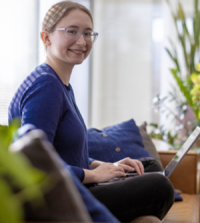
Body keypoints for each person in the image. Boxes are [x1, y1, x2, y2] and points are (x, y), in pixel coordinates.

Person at [8, 1, 174, 222]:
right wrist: (94, 174)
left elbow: (62, 152)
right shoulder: (46, 86)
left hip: (76, 184)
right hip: (63, 198)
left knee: (149, 166)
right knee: (158, 185)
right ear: (46, 38)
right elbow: (37, 165)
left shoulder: (60, 83)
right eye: (72, 31)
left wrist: (104, 165)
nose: (82, 41)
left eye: (87, 33)